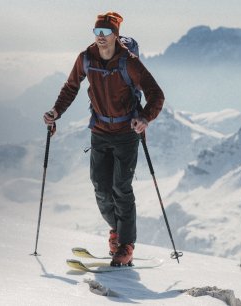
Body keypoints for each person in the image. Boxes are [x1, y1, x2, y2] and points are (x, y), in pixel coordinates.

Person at [43, 11, 165, 266]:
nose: (100, 37)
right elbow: (71, 87)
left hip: (126, 133)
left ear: (115, 35)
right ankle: (116, 230)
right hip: (99, 131)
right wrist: (56, 112)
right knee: (100, 188)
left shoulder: (129, 62)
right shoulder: (86, 58)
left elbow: (156, 94)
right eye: (96, 32)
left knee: (121, 188)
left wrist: (144, 118)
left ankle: (126, 244)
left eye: (105, 33)